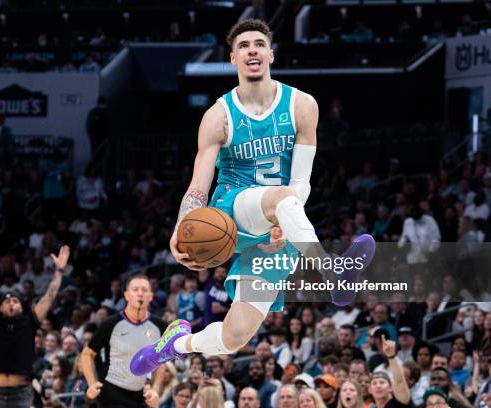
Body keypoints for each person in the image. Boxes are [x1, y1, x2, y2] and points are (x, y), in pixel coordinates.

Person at [131, 18, 376, 377]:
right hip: (233, 210)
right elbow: (199, 183)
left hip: (283, 217)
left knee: (234, 337)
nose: (252, 51)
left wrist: (283, 219)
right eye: (243, 46)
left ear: (271, 54)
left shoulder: (303, 105)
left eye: (259, 44)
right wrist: (183, 224)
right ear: (233, 58)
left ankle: (173, 345)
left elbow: (301, 181)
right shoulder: (218, 115)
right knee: (280, 197)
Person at [0, 237, 69, 407]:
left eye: (15, 301)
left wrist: (59, 272)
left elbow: (49, 297)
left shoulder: (29, 321)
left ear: (22, 308)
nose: (11, 303)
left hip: (21, 392)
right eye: (7, 301)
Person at [79, 274, 165, 408]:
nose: (140, 293)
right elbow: (87, 354)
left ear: (151, 296)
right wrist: (91, 383)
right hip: (111, 392)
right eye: (135, 289)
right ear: (126, 295)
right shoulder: (111, 323)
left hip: (140, 395)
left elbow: (160, 362)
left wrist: (155, 389)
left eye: (144, 290)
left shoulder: (160, 326)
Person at [367, 336, 411, 408]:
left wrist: (391, 356)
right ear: (369, 389)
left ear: (391, 387)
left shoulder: (399, 402)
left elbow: (399, 382)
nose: (378, 386)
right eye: (374, 383)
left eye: (382, 382)